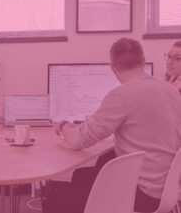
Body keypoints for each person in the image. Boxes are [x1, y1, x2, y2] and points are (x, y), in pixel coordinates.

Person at [44, 38, 181, 213]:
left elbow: (78, 141)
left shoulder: (122, 95)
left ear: (112, 67)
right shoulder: (171, 90)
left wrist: (63, 125)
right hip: (163, 189)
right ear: (143, 62)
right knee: (81, 176)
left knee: (56, 201)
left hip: (142, 195)